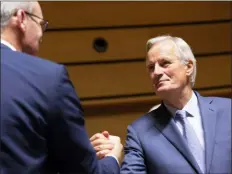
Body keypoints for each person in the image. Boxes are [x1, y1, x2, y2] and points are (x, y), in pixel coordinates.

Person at [1, 2, 123, 173]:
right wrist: (112, 158)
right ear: (21, 18)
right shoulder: (48, 77)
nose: (42, 35)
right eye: (41, 24)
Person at [91, 35, 231, 174]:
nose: (156, 72)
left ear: (188, 67)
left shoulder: (227, 110)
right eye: (151, 67)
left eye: (165, 63)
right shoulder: (139, 132)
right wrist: (112, 157)